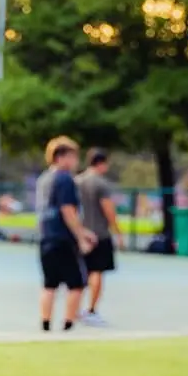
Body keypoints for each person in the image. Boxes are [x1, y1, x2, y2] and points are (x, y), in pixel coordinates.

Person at [35, 137, 96, 333]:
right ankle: (68, 324)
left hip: (45, 236)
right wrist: (81, 236)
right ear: (62, 157)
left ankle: (45, 323)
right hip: (62, 237)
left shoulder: (44, 179)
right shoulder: (64, 179)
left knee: (49, 284)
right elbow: (68, 210)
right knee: (76, 283)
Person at [76, 149, 123, 325]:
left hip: (81, 232)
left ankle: (74, 308)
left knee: (82, 272)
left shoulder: (76, 181)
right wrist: (118, 232)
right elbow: (108, 210)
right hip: (99, 233)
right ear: (101, 163)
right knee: (97, 272)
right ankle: (92, 309)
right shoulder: (101, 184)